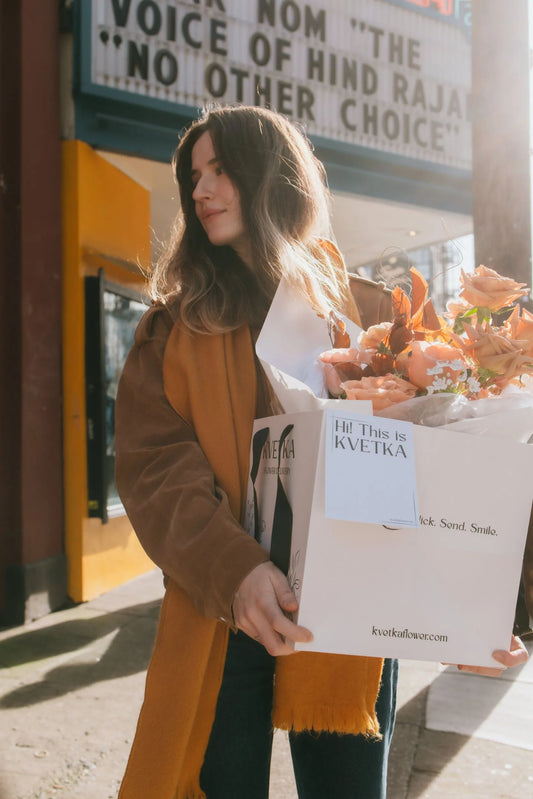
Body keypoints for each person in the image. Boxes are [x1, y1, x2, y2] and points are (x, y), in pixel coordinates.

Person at [114, 105, 529, 799]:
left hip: (357, 610)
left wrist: (487, 604)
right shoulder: (169, 331)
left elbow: (452, 457)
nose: (201, 190)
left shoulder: (372, 311)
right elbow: (157, 472)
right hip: (224, 604)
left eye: (221, 171)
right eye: (194, 176)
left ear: (271, 177)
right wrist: (235, 570)